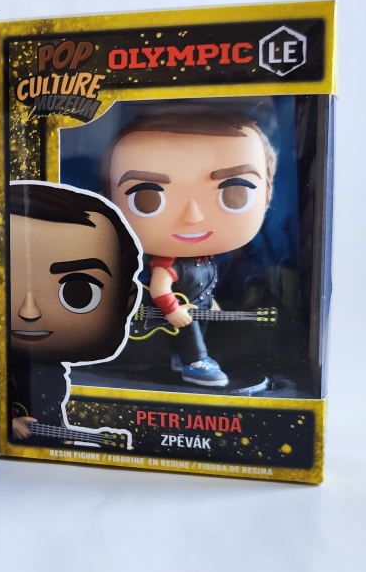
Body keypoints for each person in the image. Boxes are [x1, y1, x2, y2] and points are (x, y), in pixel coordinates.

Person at [100, 108, 275, 387]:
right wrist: (171, 310)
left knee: (197, 326)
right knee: (190, 327)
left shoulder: (206, 260)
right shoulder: (167, 262)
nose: (192, 216)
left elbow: (205, 286)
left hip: (196, 308)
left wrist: (211, 302)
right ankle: (194, 362)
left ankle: (184, 357)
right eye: (146, 198)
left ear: (267, 196)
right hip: (177, 311)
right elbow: (159, 289)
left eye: (234, 194)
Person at [7, 182, 140, 443]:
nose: (29, 313)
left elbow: (52, 408)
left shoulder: (54, 372)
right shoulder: (0, 370)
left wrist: (63, 433)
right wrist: (6, 422)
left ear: (126, 301)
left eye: (78, 294)